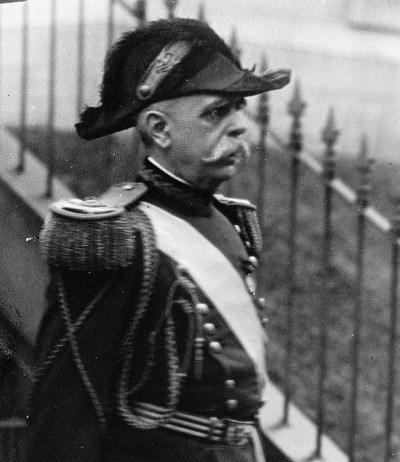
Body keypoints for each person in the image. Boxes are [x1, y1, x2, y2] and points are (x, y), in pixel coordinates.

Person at [26, 18, 290, 462]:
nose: (240, 125)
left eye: (239, 108)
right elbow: (66, 408)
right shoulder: (119, 237)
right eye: (216, 112)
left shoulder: (230, 220)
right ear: (160, 129)